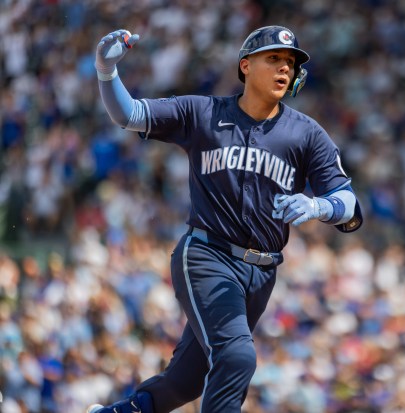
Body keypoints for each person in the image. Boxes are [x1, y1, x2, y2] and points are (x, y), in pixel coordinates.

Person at [87, 25, 363, 413]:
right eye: (274, 59)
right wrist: (105, 71)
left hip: (263, 272)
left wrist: (319, 206)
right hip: (207, 255)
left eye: (290, 62)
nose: (285, 68)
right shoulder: (203, 112)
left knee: (187, 381)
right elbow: (130, 114)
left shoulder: (307, 134)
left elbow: (349, 205)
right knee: (237, 358)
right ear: (245, 66)